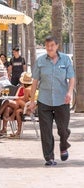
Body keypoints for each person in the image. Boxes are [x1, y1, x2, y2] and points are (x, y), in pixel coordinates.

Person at [29, 36, 75, 166]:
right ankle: (49, 157)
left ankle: (63, 145)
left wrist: (69, 92)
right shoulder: (40, 61)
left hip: (62, 100)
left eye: (52, 46)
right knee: (46, 131)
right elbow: (35, 82)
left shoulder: (65, 60)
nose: (49, 48)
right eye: (47, 46)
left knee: (63, 130)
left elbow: (71, 78)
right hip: (44, 100)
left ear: (57, 46)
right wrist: (32, 101)